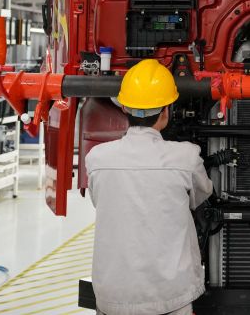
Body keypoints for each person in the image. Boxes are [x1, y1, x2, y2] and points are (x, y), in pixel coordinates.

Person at [86, 59, 213, 315]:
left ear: (123, 107)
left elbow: (101, 200)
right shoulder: (186, 157)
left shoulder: (97, 159)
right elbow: (201, 195)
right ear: (167, 110)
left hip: (112, 295)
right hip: (171, 295)